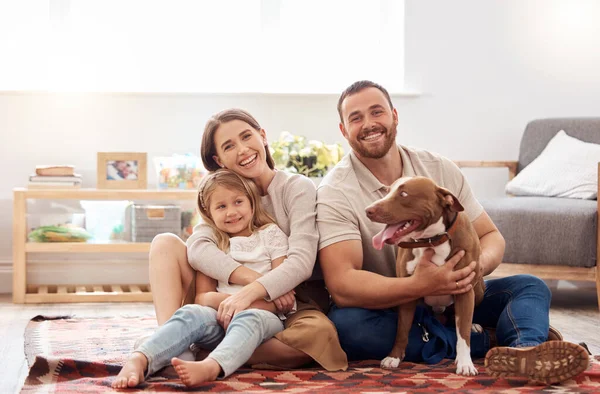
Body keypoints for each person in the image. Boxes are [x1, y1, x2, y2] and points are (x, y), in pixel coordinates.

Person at [316, 80, 589, 384]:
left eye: (376, 112)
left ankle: (525, 349)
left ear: (394, 116)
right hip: (395, 308)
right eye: (355, 118)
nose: (368, 124)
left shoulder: (438, 169)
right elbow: (342, 285)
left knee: (529, 286)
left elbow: (491, 237)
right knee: (348, 325)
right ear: (343, 130)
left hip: (459, 296)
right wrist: (421, 285)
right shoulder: (335, 191)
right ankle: (489, 342)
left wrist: (468, 272)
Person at [146, 109, 347, 375]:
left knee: (319, 336)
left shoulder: (296, 187)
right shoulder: (221, 194)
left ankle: (210, 353)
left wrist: (262, 293)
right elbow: (199, 247)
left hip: (287, 303)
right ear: (219, 160)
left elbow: (301, 262)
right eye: (229, 146)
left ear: (262, 136)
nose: (242, 150)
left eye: (246, 137)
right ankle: (171, 342)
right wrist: (252, 282)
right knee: (164, 244)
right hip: (224, 297)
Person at [113, 170, 292, 388]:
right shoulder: (214, 244)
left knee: (250, 318)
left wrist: (245, 302)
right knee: (190, 313)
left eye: (238, 202)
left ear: (252, 202)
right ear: (209, 212)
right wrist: (229, 303)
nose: (232, 212)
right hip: (218, 319)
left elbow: (280, 291)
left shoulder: (270, 234)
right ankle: (140, 358)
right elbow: (202, 299)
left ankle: (212, 366)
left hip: (263, 318)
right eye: (221, 206)